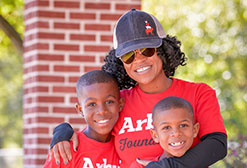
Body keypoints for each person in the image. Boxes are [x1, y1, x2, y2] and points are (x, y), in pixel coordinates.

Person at [48, 9, 227, 168]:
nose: (139, 60)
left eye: (147, 50)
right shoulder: (118, 101)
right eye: (128, 55)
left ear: (163, 50)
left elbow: (217, 145)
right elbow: (94, 128)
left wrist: (166, 166)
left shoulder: (198, 93)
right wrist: (63, 131)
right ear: (121, 63)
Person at [43, 70, 124, 168]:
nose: (101, 111)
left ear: (120, 104)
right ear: (80, 110)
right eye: (92, 104)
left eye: (109, 102)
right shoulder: (67, 149)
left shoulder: (126, 146)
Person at [130, 96, 200, 167]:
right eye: (166, 127)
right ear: (155, 135)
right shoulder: (141, 166)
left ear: (194, 130)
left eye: (183, 125)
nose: (176, 133)